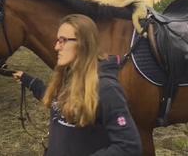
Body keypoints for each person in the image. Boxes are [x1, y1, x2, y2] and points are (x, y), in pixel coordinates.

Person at [12, 14, 142, 156]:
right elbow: (57, 103)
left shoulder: (106, 89)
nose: (56, 47)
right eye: (57, 40)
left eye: (63, 41)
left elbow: (129, 146)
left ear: (83, 44)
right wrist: (28, 80)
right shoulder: (69, 76)